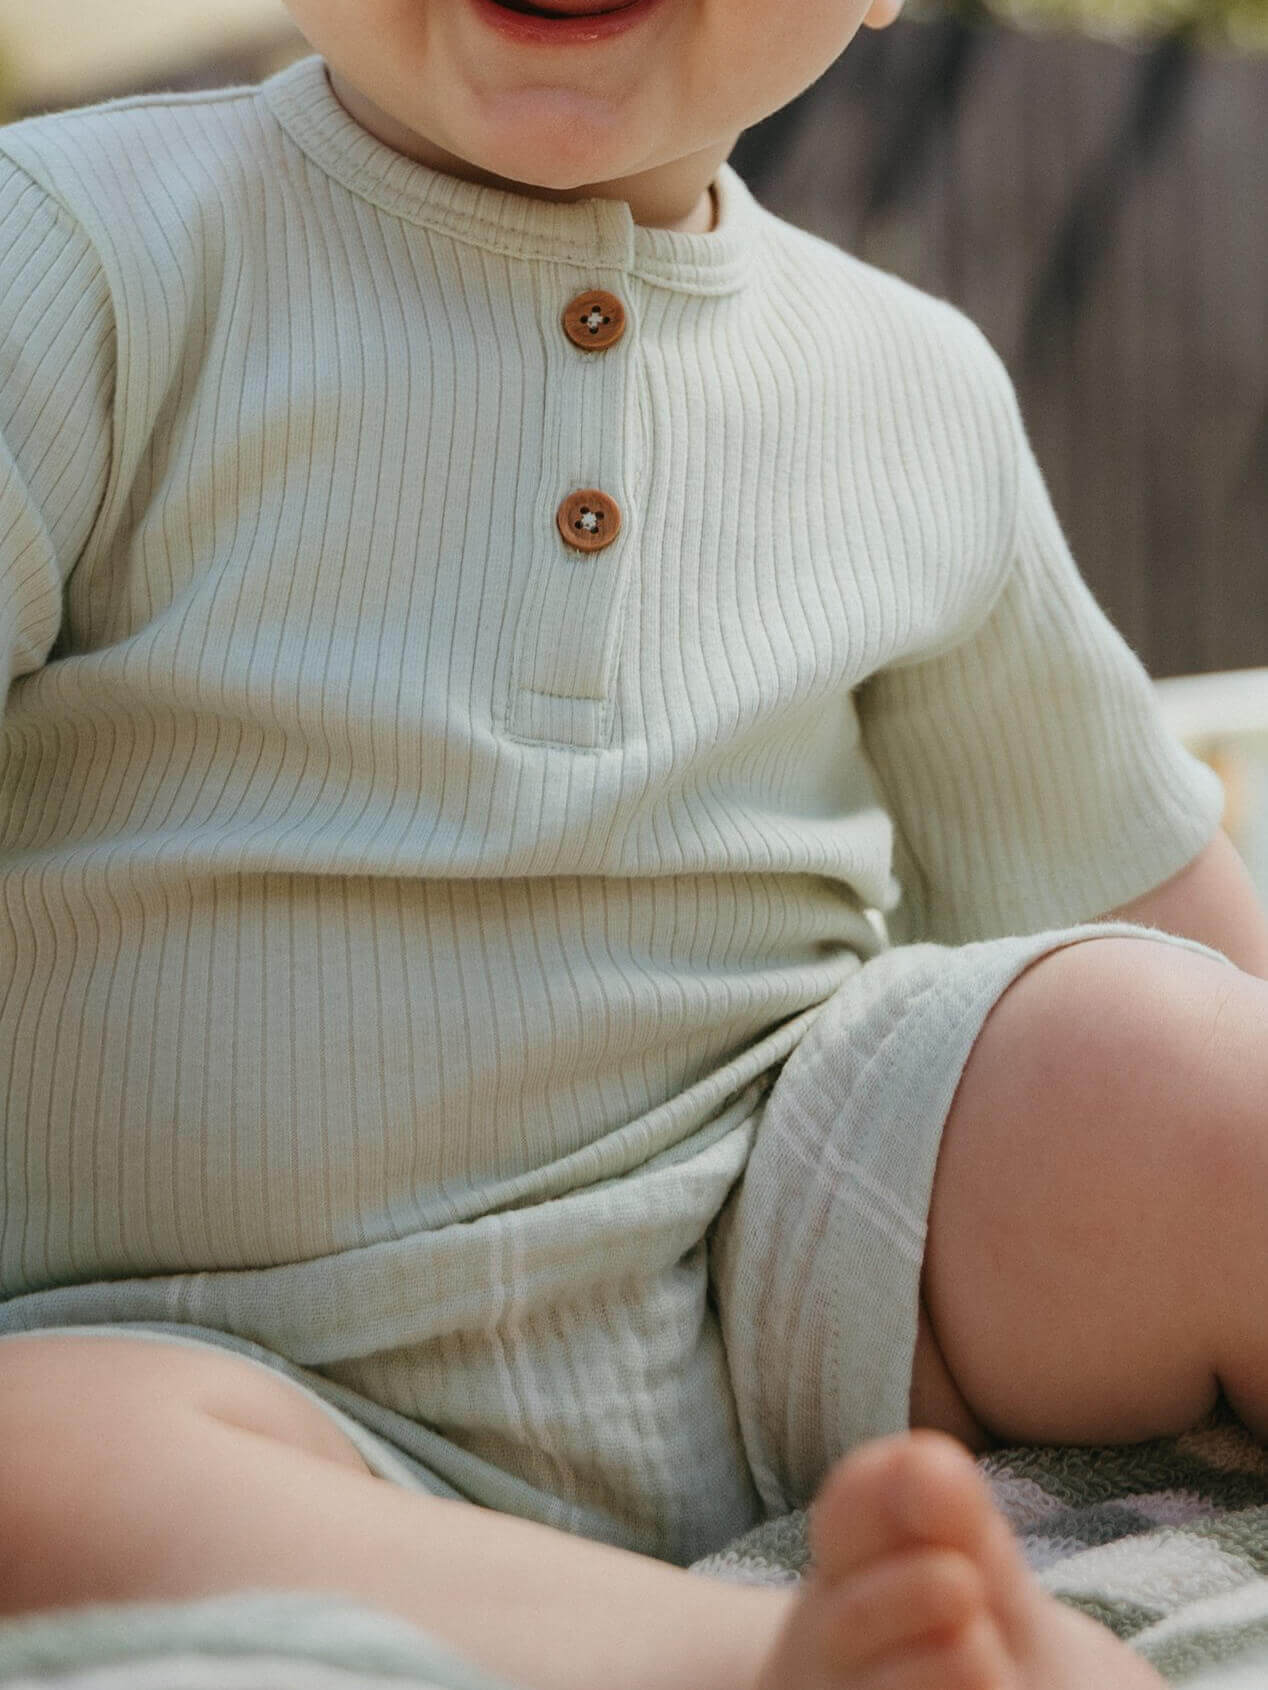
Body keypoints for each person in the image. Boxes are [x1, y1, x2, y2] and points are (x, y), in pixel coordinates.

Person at [0, 0, 1265, 1685]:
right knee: (38, 1469)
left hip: (773, 1271)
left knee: (1161, 1048)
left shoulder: (912, 390)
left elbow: (1142, 890)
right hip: (202, 1355)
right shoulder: (76, 253)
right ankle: (749, 1656)